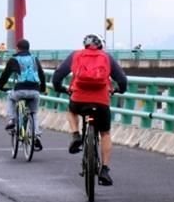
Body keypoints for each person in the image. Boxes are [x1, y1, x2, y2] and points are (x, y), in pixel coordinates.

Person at [51, 34, 127, 186]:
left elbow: (58, 75)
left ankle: (75, 135)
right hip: (101, 101)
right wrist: (119, 89)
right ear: (100, 46)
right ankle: (104, 169)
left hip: (79, 99)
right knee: (105, 133)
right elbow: (122, 80)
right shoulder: (107, 57)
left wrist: (60, 88)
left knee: (71, 111)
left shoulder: (76, 55)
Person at [0, 38, 46, 151]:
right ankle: (36, 134)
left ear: (17, 48)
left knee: (10, 97)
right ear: (28, 48)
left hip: (20, 90)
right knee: (34, 113)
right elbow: (41, 74)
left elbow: (5, 75)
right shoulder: (34, 59)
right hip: (35, 91)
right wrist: (42, 88)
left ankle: (12, 120)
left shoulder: (14, 59)